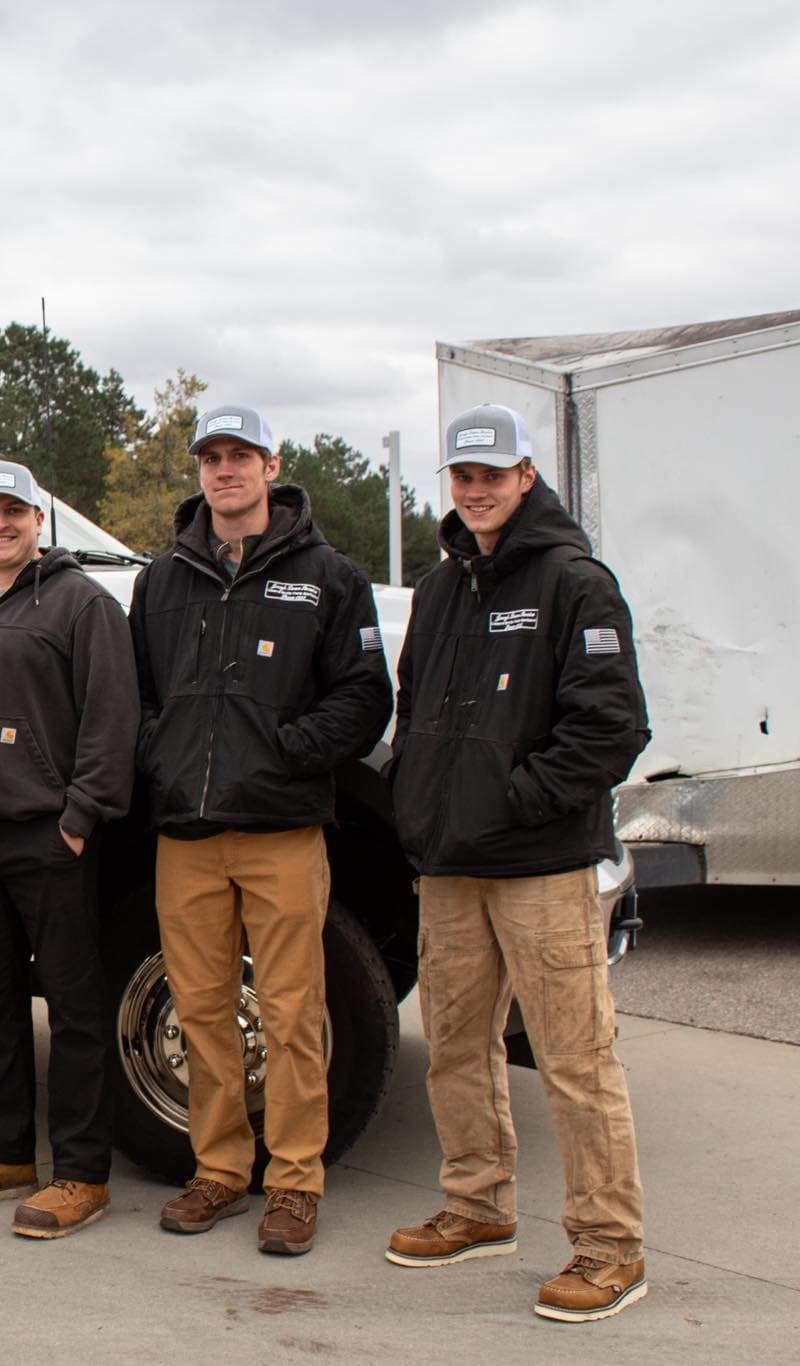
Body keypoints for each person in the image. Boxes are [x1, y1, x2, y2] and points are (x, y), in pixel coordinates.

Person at [384, 404, 651, 1323]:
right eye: (463, 475)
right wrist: (423, 812)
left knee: (576, 1060)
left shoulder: (577, 582)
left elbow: (613, 727)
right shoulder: (442, 586)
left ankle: (609, 1248)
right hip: (453, 867)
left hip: (541, 863)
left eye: (494, 474)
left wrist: (516, 804)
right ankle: (475, 1206)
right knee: (456, 1047)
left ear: (526, 476)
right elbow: (414, 713)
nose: (478, 489)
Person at [128, 404, 391, 1256]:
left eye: (242, 456)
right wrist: (159, 760)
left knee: (291, 1013)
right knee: (202, 1010)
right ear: (199, 470)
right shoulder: (161, 580)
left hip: (281, 831)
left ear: (272, 466)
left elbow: (363, 696)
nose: (225, 471)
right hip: (188, 834)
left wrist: (289, 753)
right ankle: (217, 1171)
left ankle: (295, 1183)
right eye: (212, 457)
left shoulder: (328, 576)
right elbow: (134, 697)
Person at [0, 460, 138, 1239]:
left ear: (39, 522)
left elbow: (113, 722)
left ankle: (80, 1173)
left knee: (74, 1009)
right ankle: (2, 1151)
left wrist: (78, 817)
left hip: (48, 837)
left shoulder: (82, 605)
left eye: (14, 511)